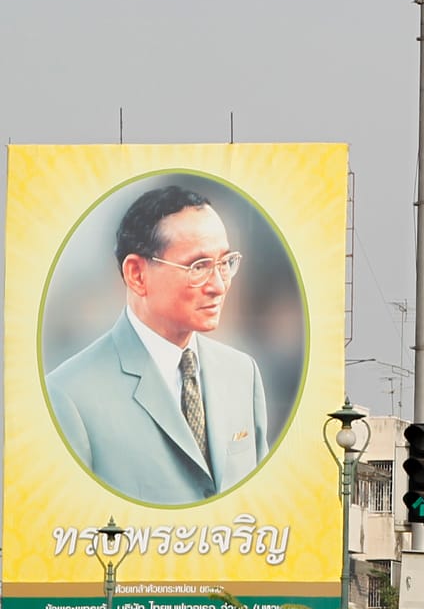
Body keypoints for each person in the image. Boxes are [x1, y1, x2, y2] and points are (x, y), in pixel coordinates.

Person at [46, 185, 270, 505]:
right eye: (199, 267)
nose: (219, 285)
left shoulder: (242, 373)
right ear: (137, 274)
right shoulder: (69, 396)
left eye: (225, 263)